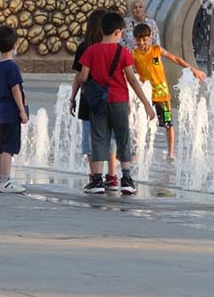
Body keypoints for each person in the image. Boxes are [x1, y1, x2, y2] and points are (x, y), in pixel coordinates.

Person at [71, 11, 155, 195]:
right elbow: (132, 79)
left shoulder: (91, 50)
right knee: (122, 138)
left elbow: (83, 76)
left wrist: (87, 88)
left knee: (99, 138)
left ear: (102, 30)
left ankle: (98, 181)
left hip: (98, 103)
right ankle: (126, 179)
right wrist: (146, 104)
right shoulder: (123, 52)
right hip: (119, 100)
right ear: (118, 32)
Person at [131, 22, 206, 162]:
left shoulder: (156, 50)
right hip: (145, 95)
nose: (142, 43)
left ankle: (171, 153)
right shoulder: (133, 54)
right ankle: (136, 149)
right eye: (138, 40)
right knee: (137, 121)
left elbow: (175, 58)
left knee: (168, 122)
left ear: (150, 37)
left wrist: (193, 70)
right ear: (134, 39)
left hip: (161, 95)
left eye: (144, 39)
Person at [0, 25, 28, 194]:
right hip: (11, 110)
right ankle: (5, 180)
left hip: (1, 109)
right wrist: (22, 110)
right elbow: (16, 89)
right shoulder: (11, 66)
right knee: (9, 147)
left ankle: (1, 178)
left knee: (2, 146)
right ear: (15, 45)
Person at [71, 9, 106, 162]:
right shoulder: (112, 47)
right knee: (109, 137)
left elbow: (79, 76)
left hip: (89, 97)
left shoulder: (84, 47)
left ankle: (94, 176)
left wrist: (73, 97)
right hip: (109, 96)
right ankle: (111, 175)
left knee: (89, 136)